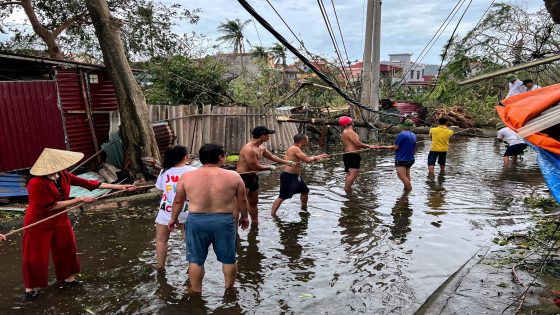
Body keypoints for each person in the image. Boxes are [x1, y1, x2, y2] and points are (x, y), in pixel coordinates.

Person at [22, 148, 136, 301]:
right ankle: (30, 288)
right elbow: (51, 206)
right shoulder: (35, 183)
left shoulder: (63, 175)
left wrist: (120, 187)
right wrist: (79, 199)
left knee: (67, 246)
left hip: (60, 218)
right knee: (36, 255)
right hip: (38, 222)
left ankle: (68, 278)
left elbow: (89, 183)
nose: (60, 168)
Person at [168, 144, 249, 293]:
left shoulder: (187, 176)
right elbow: (242, 200)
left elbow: (178, 201)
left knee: (196, 260)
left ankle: (196, 292)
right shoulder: (233, 176)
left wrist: (173, 218)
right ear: (220, 157)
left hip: (196, 221)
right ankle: (229, 291)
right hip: (224, 221)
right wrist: (245, 217)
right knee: (229, 258)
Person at [236, 126, 295, 224]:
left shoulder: (261, 147)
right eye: (268, 135)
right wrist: (268, 167)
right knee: (240, 204)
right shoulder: (249, 149)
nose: (269, 137)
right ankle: (235, 228)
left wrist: (287, 162)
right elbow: (255, 166)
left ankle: (255, 224)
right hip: (243, 177)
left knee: (254, 202)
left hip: (252, 177)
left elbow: (272, 156)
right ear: (262, 136)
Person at [154, 145, 197, 270]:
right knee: (189, 241)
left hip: (166, 210)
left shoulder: (164, 171)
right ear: (186, 157)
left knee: (161, 241)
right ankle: (193, 267)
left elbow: (162, 189)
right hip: (187, 210)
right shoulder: (194, 171)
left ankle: (160, 267)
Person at [270, 134, 329, 217]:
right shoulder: (295, 149)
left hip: (295, 177)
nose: (307, 142)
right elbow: (307, 160)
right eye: (307, 140)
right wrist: (317, 157)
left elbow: (306, 159)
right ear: (302, 141)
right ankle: (273, 214)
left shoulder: (295, 149)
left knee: (305, 191)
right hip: (288, 176)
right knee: (282, 196)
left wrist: (318, 156)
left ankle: (304, 208)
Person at [375, 120, 417, 190]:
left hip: (402, 159)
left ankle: (408, 191)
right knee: (407, 175)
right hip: (411, 159)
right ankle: (406, 191)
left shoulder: (401, 134)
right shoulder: (413, 134)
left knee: (402, 177)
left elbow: (395, 147)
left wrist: (382, 146)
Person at [340, 116, 376, 193]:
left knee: (349, 173)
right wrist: (369, 146)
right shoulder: (350, 132)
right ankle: (347, 189)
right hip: (352, 155)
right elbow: (357, 143)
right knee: (353, 173)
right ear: (350, 123)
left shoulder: (345, 132)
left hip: (348, 155)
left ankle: (347, 190)